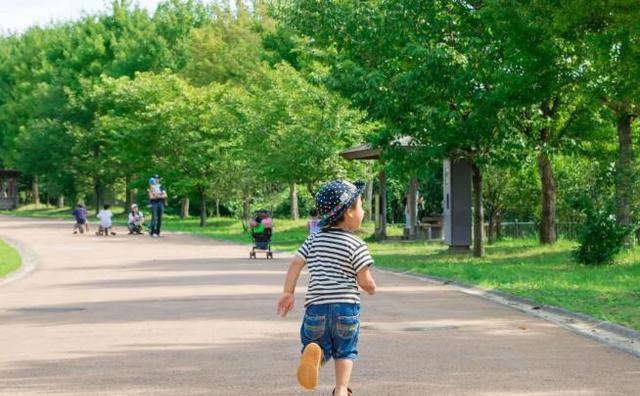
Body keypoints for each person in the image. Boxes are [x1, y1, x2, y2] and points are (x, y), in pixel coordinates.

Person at [276, 180, 377, 396]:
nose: (363, 210)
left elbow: (296, 262)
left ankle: (315, 355)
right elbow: (364, 280)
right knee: (346, 350)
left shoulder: (314, 239)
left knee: (316, 342)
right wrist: (371, 288)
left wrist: (288, 292)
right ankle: (341, 389)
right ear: (349, 212)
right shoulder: (356, 244)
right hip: (346, 310)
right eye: (360, 206)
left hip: (317, 309)